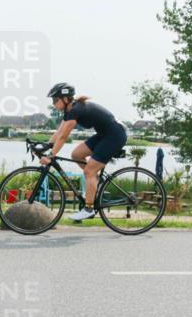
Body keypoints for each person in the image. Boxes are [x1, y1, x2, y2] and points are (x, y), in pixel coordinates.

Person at [40, 82, 128, 221]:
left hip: (115, 136)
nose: (54, 103)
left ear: (66, 99)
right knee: (76, 154)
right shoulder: (70, 110)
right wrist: (46, 146)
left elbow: (63, 137)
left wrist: (51, 156)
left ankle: (88, 209)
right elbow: (59, 132)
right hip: (104, 135)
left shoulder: (76, 110)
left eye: (55, 100)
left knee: (89, 171)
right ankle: (95, 180)